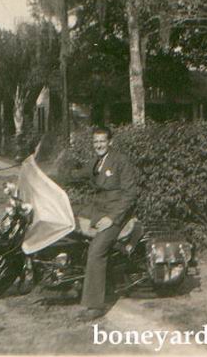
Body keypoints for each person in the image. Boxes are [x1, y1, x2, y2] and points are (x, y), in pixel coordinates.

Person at [67, 126, 138, 321]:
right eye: (96, 142)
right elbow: (77, 175)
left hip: (116, 214)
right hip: (98, 209)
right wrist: (52, 177)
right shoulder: (97, 161)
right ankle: (73, 277)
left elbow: (130, 194)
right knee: (67, 218)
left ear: (110, 142)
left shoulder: (120, 161)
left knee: (96, 250)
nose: (99, 145)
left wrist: (112, 218)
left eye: (102, 141)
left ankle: (95, 305)